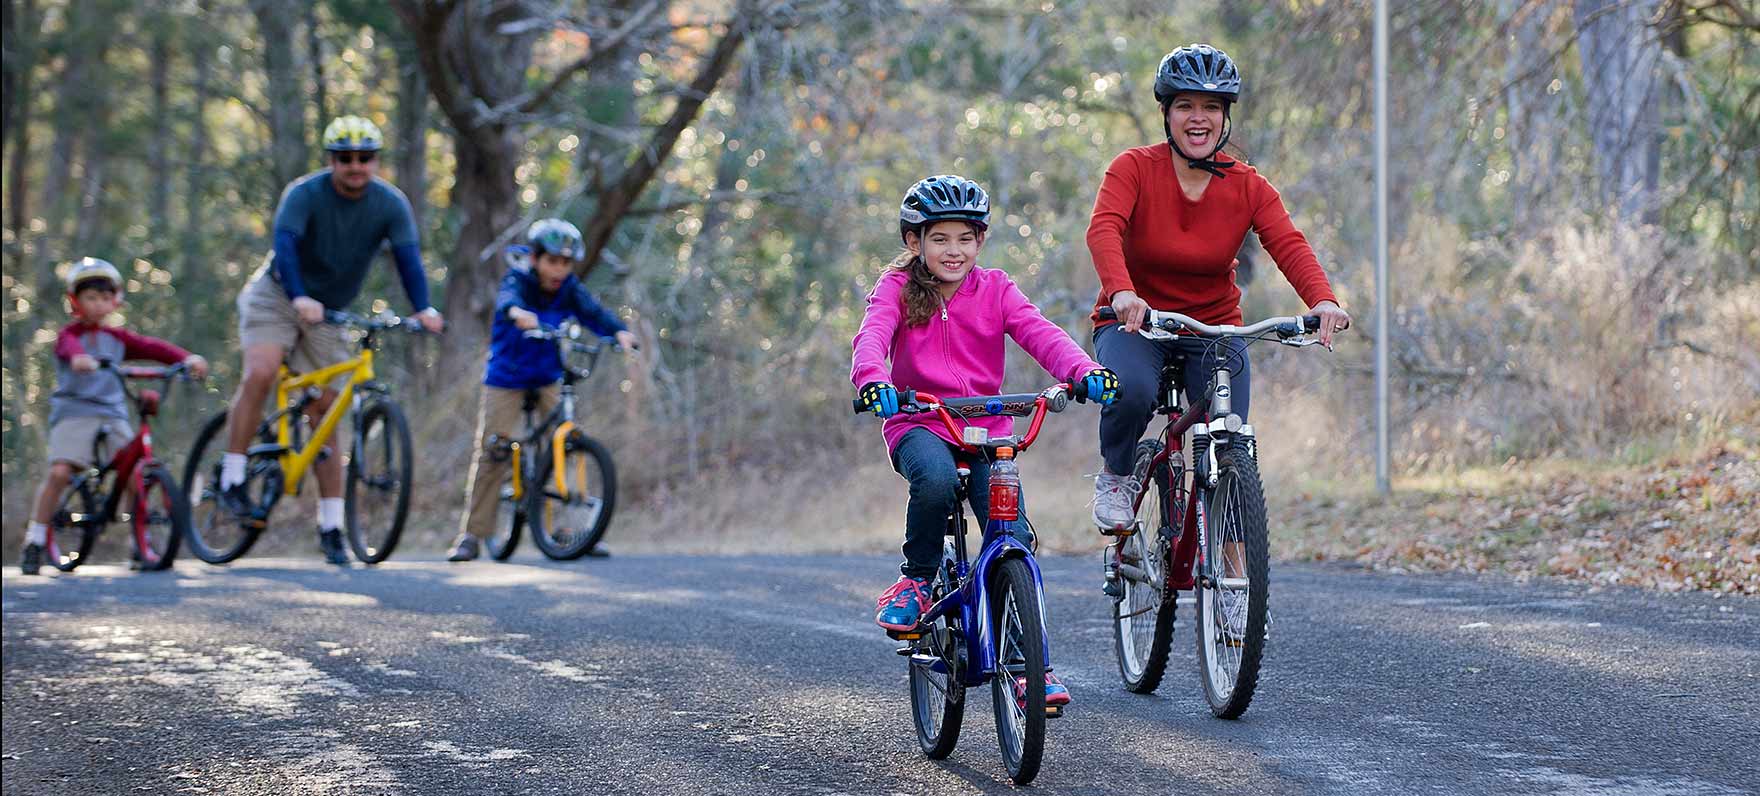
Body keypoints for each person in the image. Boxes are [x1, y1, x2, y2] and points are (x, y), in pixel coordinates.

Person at [851, 174, 1120, 707]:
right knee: (933, 481)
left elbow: (1040, 332)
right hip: (920, 422)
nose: (955, 251)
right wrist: (873, 382)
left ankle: (1027, 668)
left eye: (966, 239)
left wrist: (1085, 370)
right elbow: (873, 336)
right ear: (915, 242)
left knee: (1012, 535)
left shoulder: (995, 288)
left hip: (985, 427)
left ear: (981, 240)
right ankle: (917, 581)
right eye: (940, 239)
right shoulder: (897, 289)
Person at [1086, 44, 1352, 530]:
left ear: (1225, 116)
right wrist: (1122, 292)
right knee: (1132, 390)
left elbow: (1288, 243)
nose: (1198, 118)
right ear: (1166, 113)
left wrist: (1323, 300)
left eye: (1211, 107)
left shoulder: (1248, 185)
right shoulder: (1134, 168)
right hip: (1135, 323)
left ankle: (1241, 591)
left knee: (1229, 442)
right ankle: (1118, 475)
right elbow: (1103, 229)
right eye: (1185, 105)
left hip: (1212, 328)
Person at [216, 115, 444, 565]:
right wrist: (299, 296)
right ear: (331, 161)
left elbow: (408, 260)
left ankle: (333, 525)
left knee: (327, 414)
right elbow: (285, 246)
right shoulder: (304, 194)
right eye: (345, 158)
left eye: (365, 158)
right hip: (278, 295)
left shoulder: (390, 204)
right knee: (262, 371)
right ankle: (233, 475)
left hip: (330, 313)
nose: (355, 166)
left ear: (376, 162)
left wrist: (423, 308)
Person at [446, 219, 637, 562]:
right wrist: (517, 312)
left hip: (548, 374)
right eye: (552, 261)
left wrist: (619, 332)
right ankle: (472, 534)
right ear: (535, 259)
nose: (558, 270)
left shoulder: (569, 288)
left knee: (566, 447)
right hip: (507, 376)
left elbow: (593, 313)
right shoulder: (518, 280)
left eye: (565, 263)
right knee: (495, 449)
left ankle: (576, 530)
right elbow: (508, 299)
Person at [18, 258, 209, 574]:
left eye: (105, 297)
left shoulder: (119, 339)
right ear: (75, 301)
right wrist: (79, 358)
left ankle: (140, 542)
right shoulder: (70, 335)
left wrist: (187, 358)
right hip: (75, 411)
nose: (99, 304)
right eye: (91, 297)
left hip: (111, 413)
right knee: (60, 472)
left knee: (136, 473)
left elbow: (153, 348)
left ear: (115, 300)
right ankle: (35, 539)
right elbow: (67, 349)